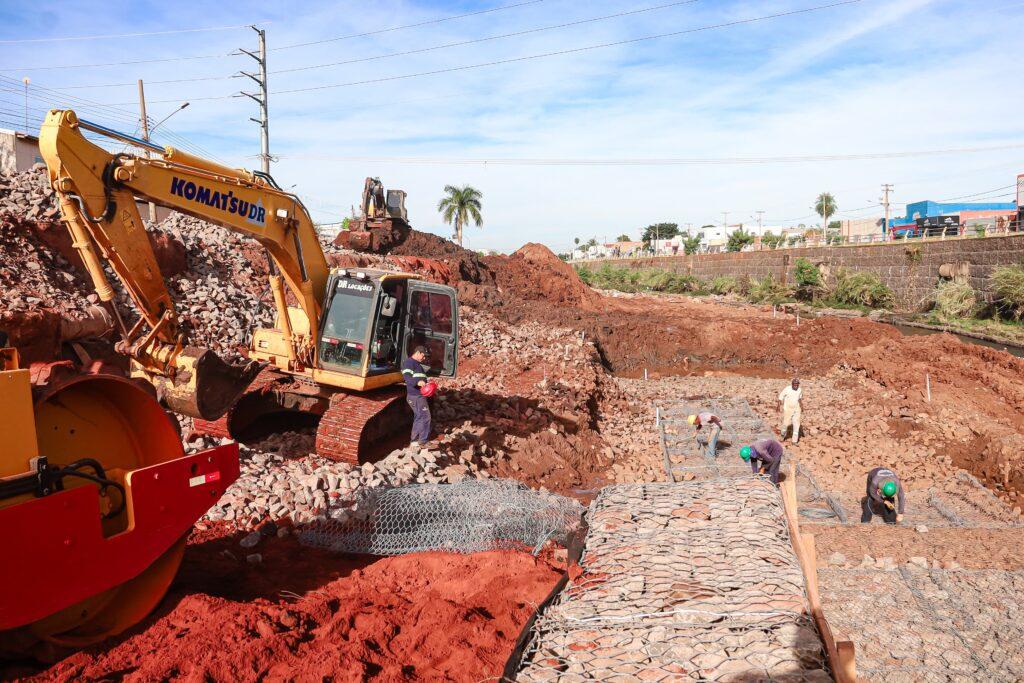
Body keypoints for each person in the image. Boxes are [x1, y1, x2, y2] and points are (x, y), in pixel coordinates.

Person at [402, 346, 432, 446]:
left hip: (418, 395)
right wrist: (418, 382)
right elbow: (407, 378)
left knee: (419, 417)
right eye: (423, 356)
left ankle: (414, 441)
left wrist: (427, 383)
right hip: (416, 396)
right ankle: (423, 441)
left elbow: (421, 378)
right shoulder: (409, 363)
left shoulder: (418, 365)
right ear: (418, 352)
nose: (424, 358)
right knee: (426, 417)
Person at [778, 378, 803, 444]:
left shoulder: (799, 390)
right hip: (788, 409)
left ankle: (794, 441)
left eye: (797, 384)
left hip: (797, 409)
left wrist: (801, 406)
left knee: (796, 425)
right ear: (792, 384)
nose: (796, 386)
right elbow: (781, 397)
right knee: (785, 424)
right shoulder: (787, 389)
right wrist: (778, 406)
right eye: (795, 384)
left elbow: (799, 398)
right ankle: (782, 435)